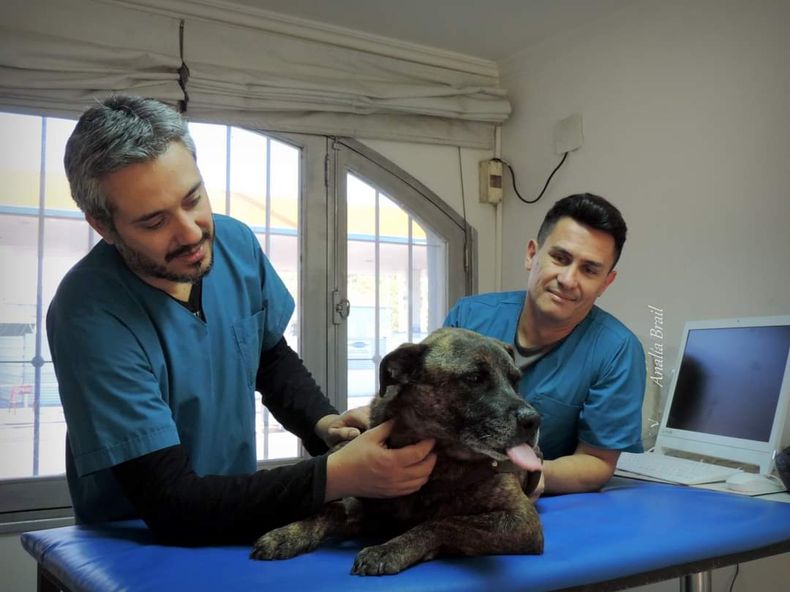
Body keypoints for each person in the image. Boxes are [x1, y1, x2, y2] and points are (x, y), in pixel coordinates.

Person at [47, 96, 436, 545]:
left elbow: (267, 354)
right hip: (137, 539)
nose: (192, 232)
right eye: (154, 222)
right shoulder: (89, 314)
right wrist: (337, 476)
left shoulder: (234, 243)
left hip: (236, 514)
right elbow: (172, 503)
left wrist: (324, 426)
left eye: (193, 198)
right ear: (103, 226)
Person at [444, 193, 645, 498]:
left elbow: (597, 462)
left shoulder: (617, 351)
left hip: (535, 503)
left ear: (606, 282)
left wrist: (526, 477)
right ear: (531, 254)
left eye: (589, 270)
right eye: (560, 258)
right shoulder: (470, 317)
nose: (567, 279)